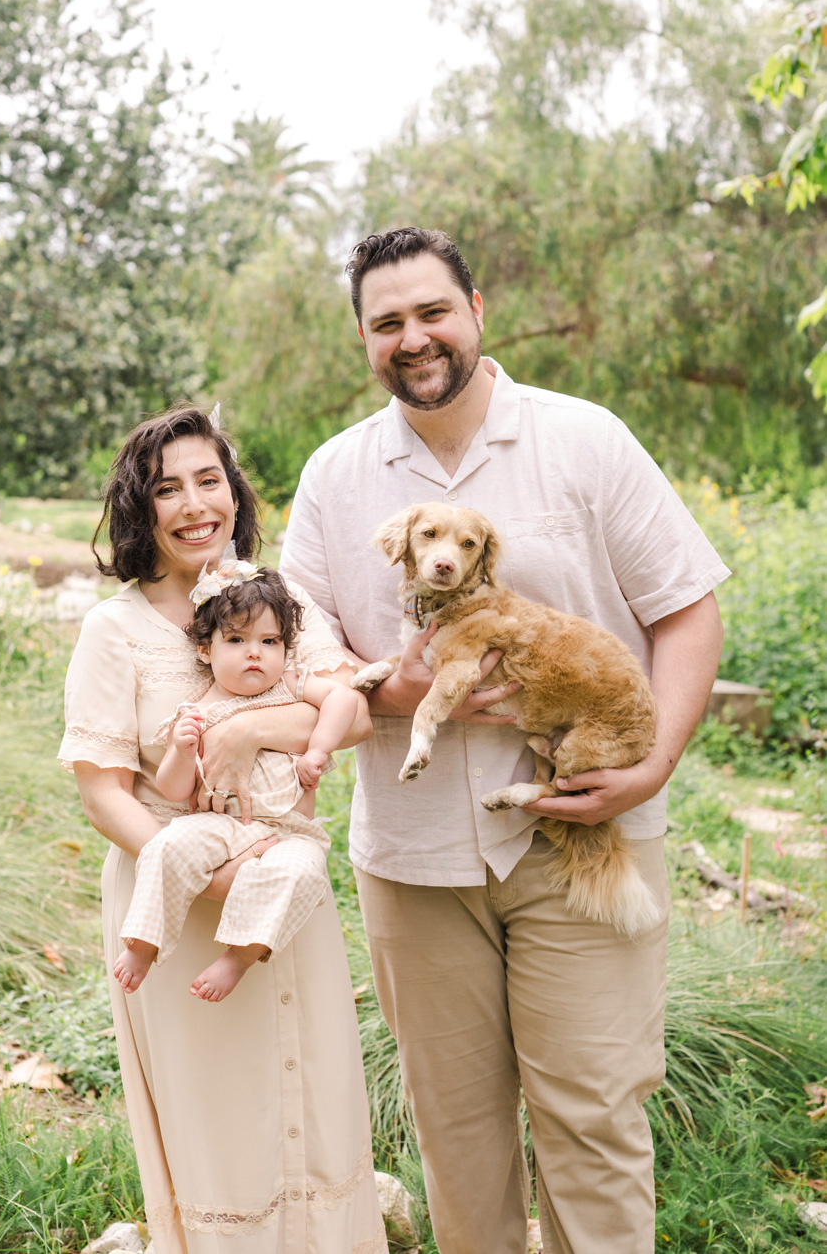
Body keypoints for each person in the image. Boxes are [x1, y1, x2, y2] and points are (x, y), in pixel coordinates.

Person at [278, 227, 730, 1254]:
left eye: (433, 311)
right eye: (387, 322)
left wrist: (651, 767)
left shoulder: (586, 441)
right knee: (456, 1136)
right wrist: (389, 687)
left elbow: (686, 609)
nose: (414, 337)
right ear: (364, 338)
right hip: (416, 859)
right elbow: (299, 645)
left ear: (477, 310)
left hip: (584, 839)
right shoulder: (337, 476)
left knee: (595, 1121)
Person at [59, 405, 387, 1254]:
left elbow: (351, 713)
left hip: (281, 882)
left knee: (313, 1099)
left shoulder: (280, 601)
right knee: (218, 1117)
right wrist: (203, 875)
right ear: (141, 507)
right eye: (168, 488)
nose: (194, 504)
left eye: (209, 480)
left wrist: (247, 730)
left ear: (234, 492)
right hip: (173, 894)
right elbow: (103, 792)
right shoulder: (115, 629)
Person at [112, 560, 359, 1003]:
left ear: (285, 647)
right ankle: (144, 943)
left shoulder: (290, 687)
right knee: (167, 846)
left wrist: (318, 750)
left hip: (289, 831)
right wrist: (182, 751)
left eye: (270, 641)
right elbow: (174, 791)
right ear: (205, 650)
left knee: (301, 871)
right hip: (222, 825)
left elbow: (343, 699)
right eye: (236, 640)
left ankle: (239, 957)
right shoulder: (197, 712)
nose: (255, 653)